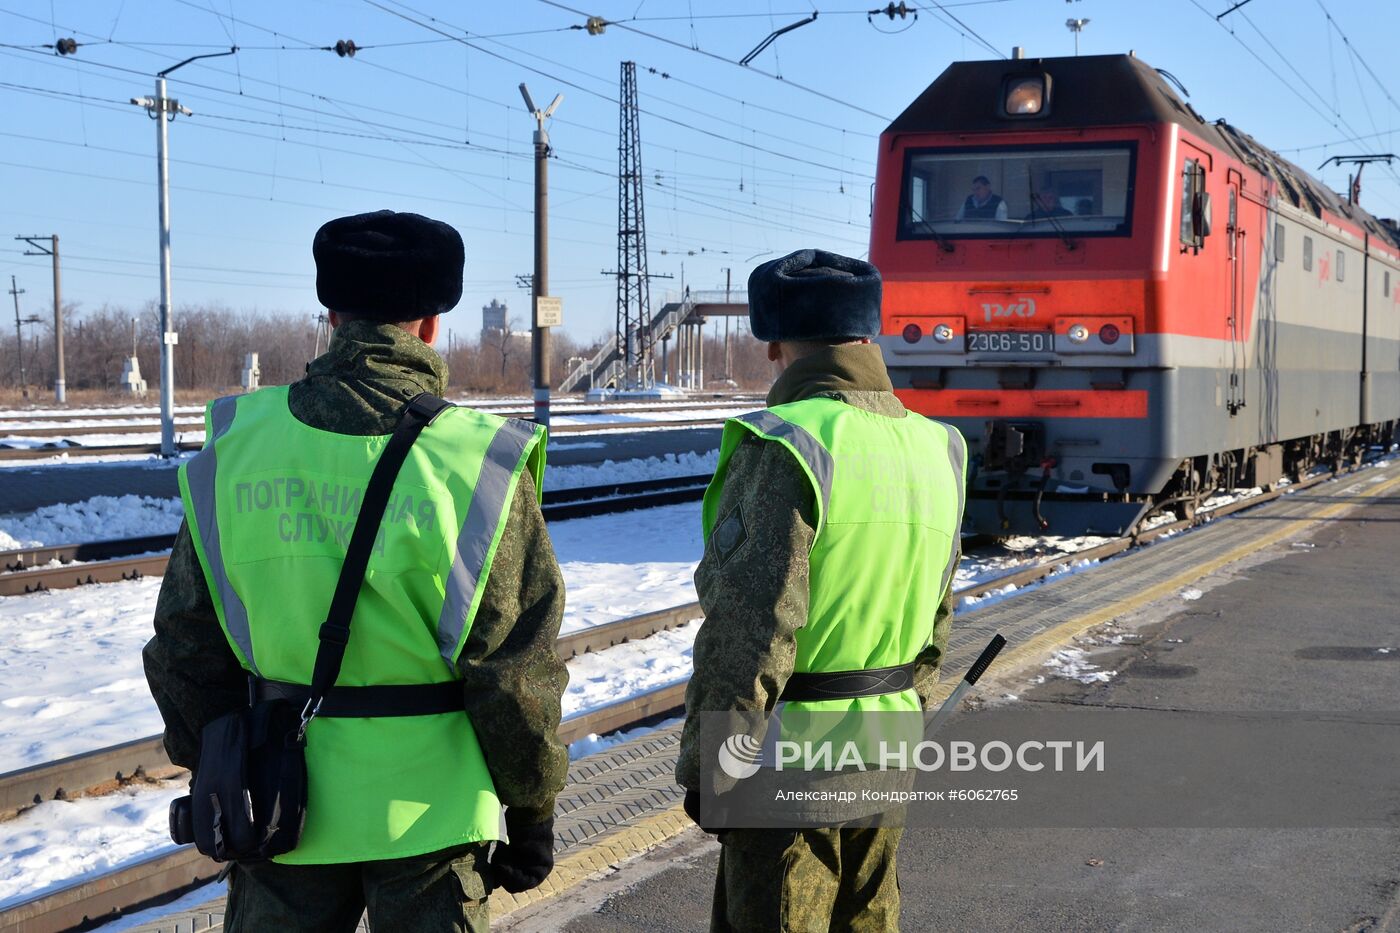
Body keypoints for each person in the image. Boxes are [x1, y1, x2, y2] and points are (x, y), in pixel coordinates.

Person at [143, 210, 568, 932]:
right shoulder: (476, 461)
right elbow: (514, 671)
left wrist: (220, 762)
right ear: (432, 323)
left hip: (280, 810)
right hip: (431, 823)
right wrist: (531, 807)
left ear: (331, 313)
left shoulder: (239, 445)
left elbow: (184, 644)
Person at [675, 249, 967, 932]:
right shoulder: (938, 446)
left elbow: (752, 629)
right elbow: (937, 622)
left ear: (774, 343)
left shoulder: (790, 444)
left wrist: (711, 765)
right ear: (869, 334)